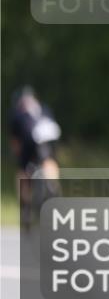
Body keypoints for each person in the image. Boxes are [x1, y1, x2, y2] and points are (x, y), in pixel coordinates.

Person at [9, 86, 62, 225]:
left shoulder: (18, 115)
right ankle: (52, 186)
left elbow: (16, 143)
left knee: (23, 172)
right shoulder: (44, 109)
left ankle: (26, 205)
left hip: (33, 143)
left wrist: (19, 159)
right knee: (49, 161)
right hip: (46, 142)